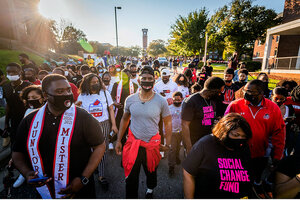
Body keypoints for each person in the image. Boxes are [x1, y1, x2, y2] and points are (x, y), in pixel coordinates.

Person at [12, 74, 106, 198]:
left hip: (79, 188)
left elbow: (99, 146)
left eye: (68, 90)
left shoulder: (84, 117)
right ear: (45, 95)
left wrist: (83, 178)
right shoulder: (30, 120)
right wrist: (26, 173)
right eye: (59, 92)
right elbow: (17, 152)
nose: (67, 94)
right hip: (44, 190)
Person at [115, 66, 172, 198]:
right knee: (131, 178)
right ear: (139, 80)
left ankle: (150, 189)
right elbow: (124, 119)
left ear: (154, 80)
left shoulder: (161, 101)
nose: (147, 81)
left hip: (152, 146)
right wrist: (119, 140)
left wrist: (167, 143)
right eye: (144, 78)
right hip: (133, 144)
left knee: (151, 172)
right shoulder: (130, 99)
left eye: (150, 79)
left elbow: (168, 122)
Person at [225, 80, 286, 198]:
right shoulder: (235, 105)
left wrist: (278, 155)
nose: (246, 94)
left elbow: (279, 132)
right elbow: (224, 127)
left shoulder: (272, 108)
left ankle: (256, 186)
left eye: (250, 92)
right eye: (245, 90)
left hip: (261, 152)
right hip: (238, 152)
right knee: (238, 178)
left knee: (256, 175)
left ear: (261, 93)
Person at [183, 113, 253, 199]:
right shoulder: (205, 144)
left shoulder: (243, 147)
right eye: (235, 135)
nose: (239, 139)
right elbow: (188, 172)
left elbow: (248, 173)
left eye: (243, 136)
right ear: (224, 132)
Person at [76, 73, 118, 188]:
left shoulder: (104, 93)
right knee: (90, 149)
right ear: (86, 84)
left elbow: (110, 109)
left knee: (102, 149)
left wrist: (113, 125)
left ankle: (101, 175)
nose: (95, 84)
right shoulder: (82, 96)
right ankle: (93, 167)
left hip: (104, 124)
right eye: (92, 82)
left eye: (97, 82)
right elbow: (77, 109)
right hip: (88, 126)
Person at [182, 77, 225, 153]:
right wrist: (189, 146)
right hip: (194, 142)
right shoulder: (191, 101)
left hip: (208, 141)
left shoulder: (213, 99)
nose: (219, 94)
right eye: (219, 91)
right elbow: (184, 125)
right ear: (212, 90)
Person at [13, 85, 45, 188]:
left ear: (43, 97)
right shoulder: (28, 112)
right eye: (29, 98)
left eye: (35, 98)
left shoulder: (49, 110)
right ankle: (25, 174)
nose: (31, 100)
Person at [2, 63, 32, 146]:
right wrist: (6, 123)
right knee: (15, 142)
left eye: (14, 72)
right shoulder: (6, 87)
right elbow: (8, 104)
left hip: (28, 119)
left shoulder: (28, 86)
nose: (11, 74)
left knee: (28, 142)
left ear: (20, 72)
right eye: (8, 72)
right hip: (14, 120)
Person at [111, 71, 138, 147]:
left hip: (130, 112)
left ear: (130, 75)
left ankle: (128, 146)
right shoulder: (116, 85)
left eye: (127, 74)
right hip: (119, 110)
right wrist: (114, 103)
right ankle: (117, 143)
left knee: (129, 130)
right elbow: (112, 96)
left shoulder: (135, 85)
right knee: (120, 129)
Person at [272, 87, 298, 156]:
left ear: (285, 98)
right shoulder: (267, 108)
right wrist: (283, 120)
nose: (278, 101)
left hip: (284, 135)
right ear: (272, 97)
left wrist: (292, 121)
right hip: (270, 136)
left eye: (281, 99)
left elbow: (293, 118)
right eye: (276, 99)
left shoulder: (289, 108)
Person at [168, 91, 184, 176]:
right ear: (172, 99)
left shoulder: (184, 107)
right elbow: (165, 122)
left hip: (181, 131)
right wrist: (165, 131)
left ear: (182, 99)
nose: (177, 101)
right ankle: (171, 167)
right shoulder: (169, 108)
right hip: (172, 132)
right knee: (172, 149)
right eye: (175, 100)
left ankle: (177, 156)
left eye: (179, 99)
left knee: (178, 147)